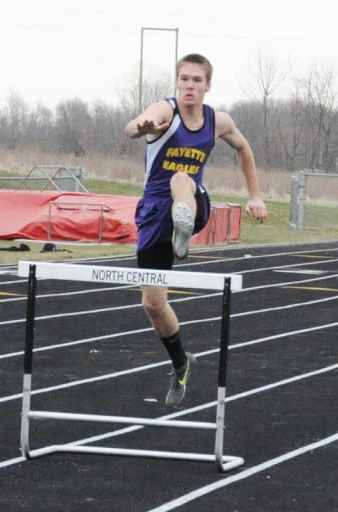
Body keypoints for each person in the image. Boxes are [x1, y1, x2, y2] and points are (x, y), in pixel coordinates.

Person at [124, 53, 268, 407]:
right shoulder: (165, 111)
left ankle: (183, 226)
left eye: (197, 80)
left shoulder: (218, 121)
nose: (189, 85)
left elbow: (243, 148)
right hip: (155, 213)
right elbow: (133, 127)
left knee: (181, 179)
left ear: (208, 85)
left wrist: (255, 195)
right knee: (153, 304)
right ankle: (181, 363)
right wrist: (142, 126)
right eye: (184, 79)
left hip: (194, 201)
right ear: (177, 82)